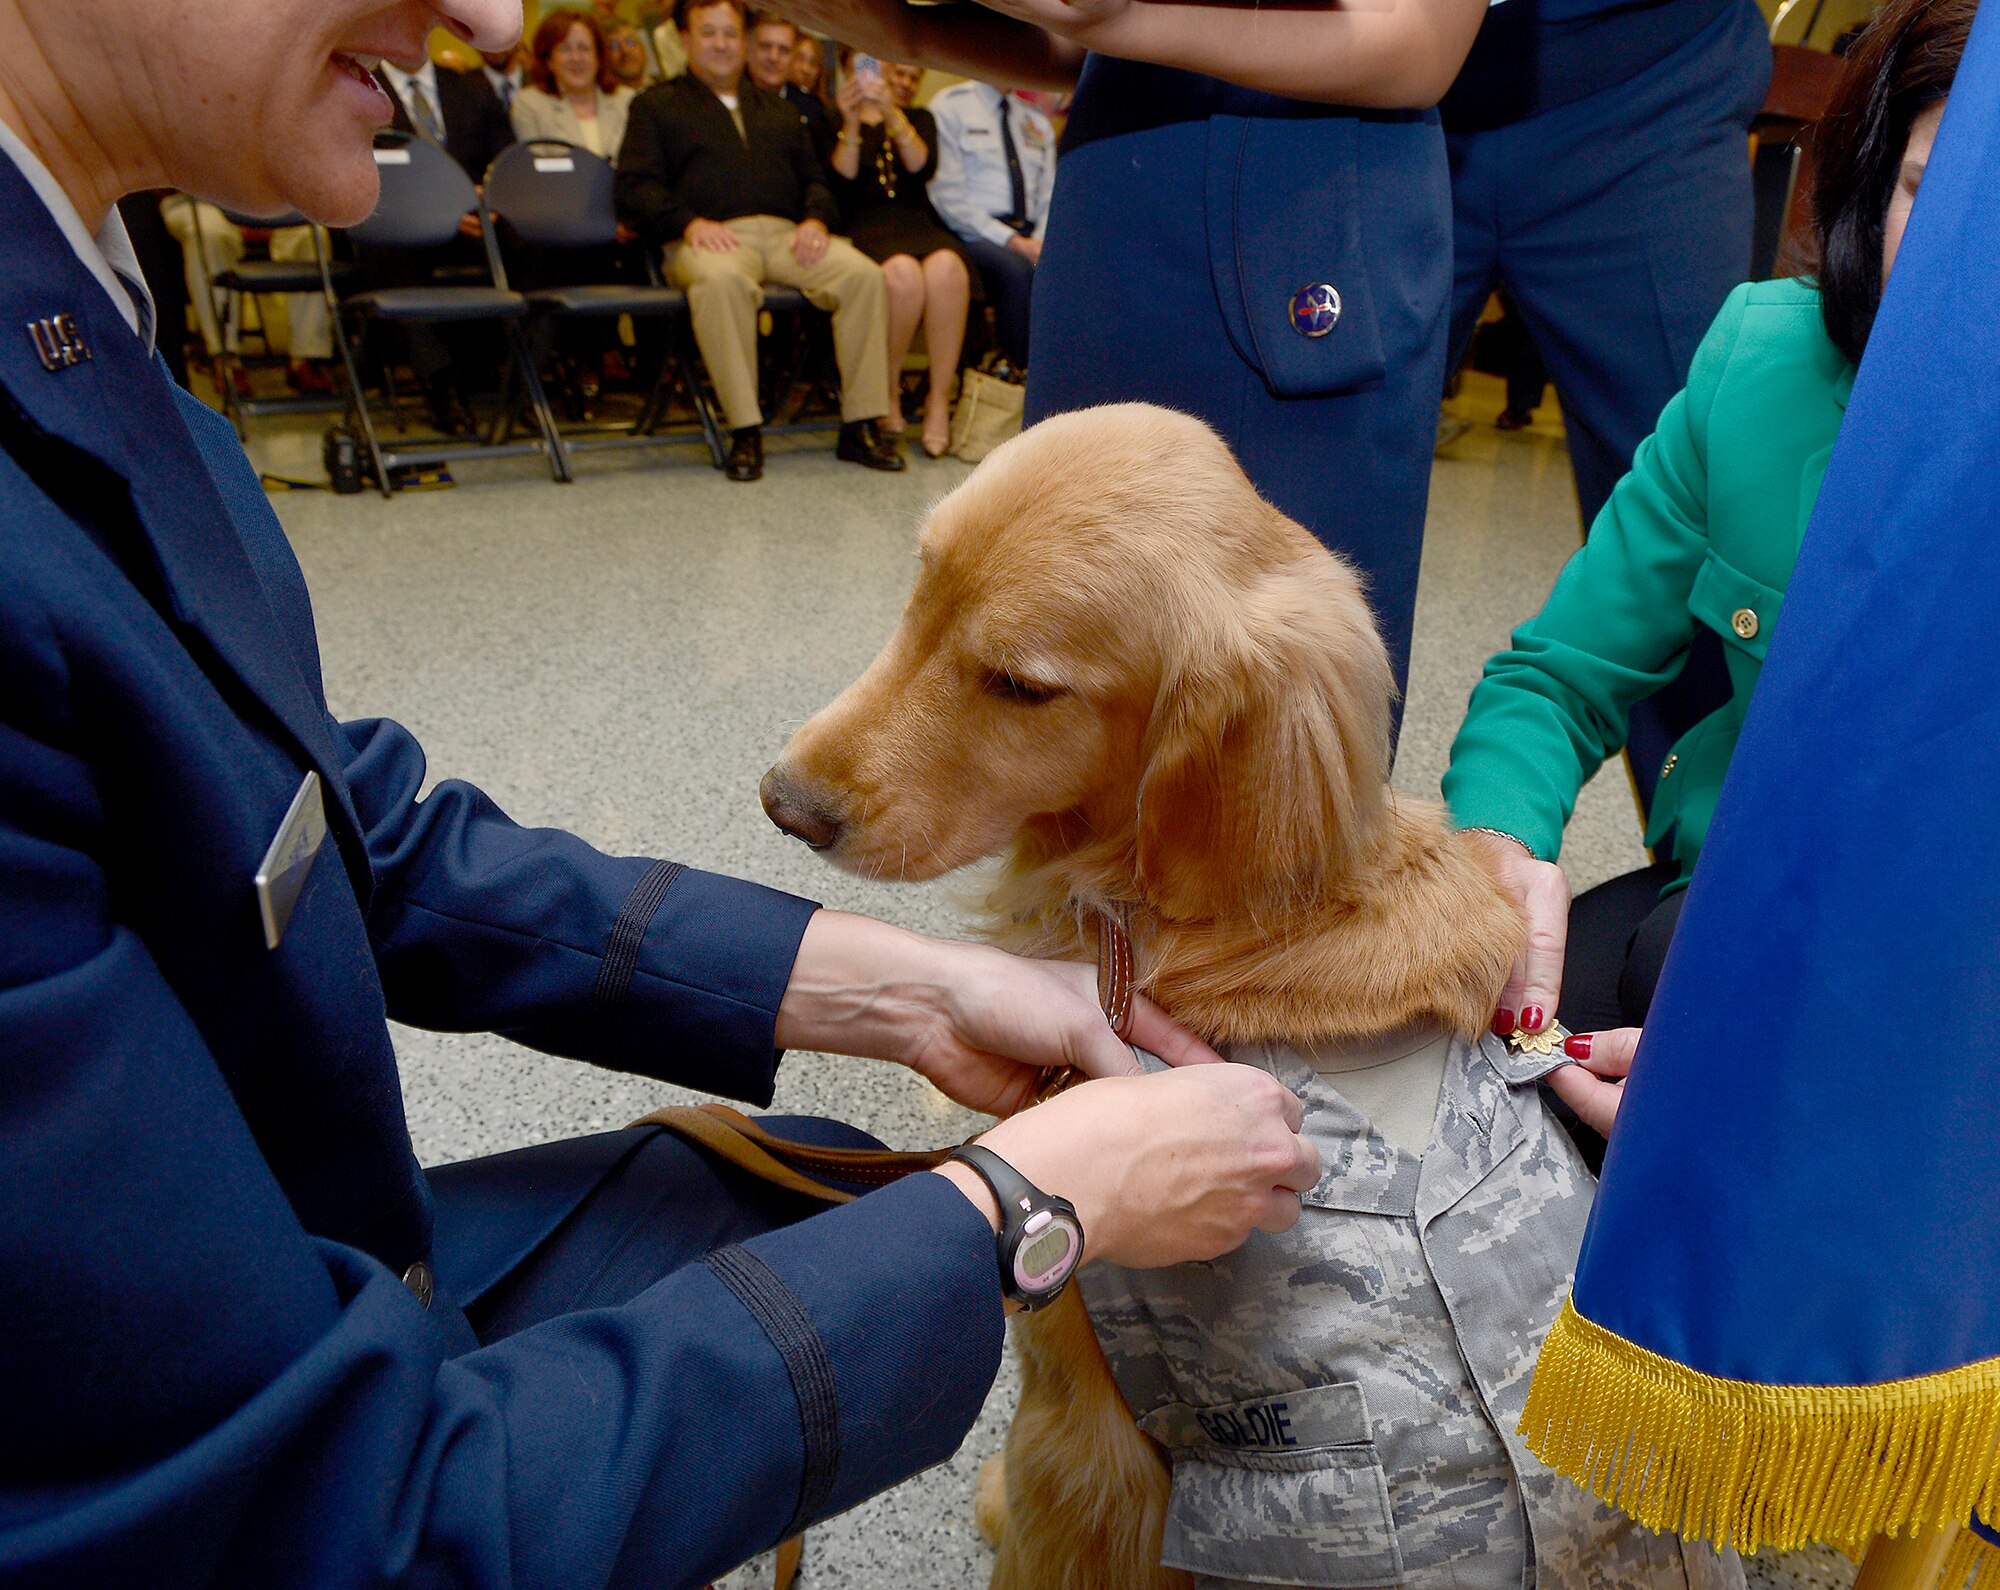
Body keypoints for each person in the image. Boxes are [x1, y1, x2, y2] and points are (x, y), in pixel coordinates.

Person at [0, 1, 1322, 1587]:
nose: (491, 16)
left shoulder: (72, 304)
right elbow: (342, 1532)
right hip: (267, 1487)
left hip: (289, 1261)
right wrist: (1023, 1211)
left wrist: (906, 988)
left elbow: (346, 835)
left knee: (810, 1181)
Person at [1441, 0, 1975, 1148]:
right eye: (1934, 195)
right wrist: (1493, 852)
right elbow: (1552, 680)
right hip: (1710, 908)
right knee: (1456, 1064)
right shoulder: (1762, 364)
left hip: (1948, 992)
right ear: (1877, 184)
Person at [777, 0, 1491, 705]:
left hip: (1304, 192)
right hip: (1115, 185)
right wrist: (908, 28)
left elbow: (1418, 43)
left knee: (1282, 725)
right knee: (1046, 678)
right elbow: (1079, 49)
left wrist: (1110, 20)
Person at [1441, 0, 1773, 814]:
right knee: (1293, 521)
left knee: (1717, 531)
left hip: (1654, 78)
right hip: (1368, 86)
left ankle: (1708, 890)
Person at [616, 0, 904, 481]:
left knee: (863, 276)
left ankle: (860, 425)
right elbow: (634, 189)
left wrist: (815, 220)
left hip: (788, 237)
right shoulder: (654, 106)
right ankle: (745, 431)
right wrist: (688, 223)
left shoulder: (780, 110)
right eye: (709, 33)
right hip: (707, 240)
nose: (722, 44)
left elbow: (816, 180)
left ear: (742, 41)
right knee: (722, 282)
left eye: (730, 33)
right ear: (685, 39)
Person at [829, 57, 972, 457]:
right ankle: (887, 392)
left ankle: (937, 400)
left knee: (948, 269)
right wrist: (853, 119)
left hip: (915, 222)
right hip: (865, 225)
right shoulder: (833, 117)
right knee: (902, 274)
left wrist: (890, 110)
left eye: (912, 76)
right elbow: (842, 178)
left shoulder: (917, 117)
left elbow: (921, 165)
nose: (902, 81)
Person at [368, 55, 518, 432]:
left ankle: (526, 376)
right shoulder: (357, 86)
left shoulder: (469, 86)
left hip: (472, 220)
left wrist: (489, 196)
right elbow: (350, 173)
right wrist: (436, 209)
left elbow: (505, 160)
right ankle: (442, 385)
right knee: (385, 245)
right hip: (393, 224)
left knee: (528, 232)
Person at [924, 75, 1053, 374]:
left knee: (1072, 269)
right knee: (1016, 271)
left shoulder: (1035, 120)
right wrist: (1013, 241)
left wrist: (1041, 240)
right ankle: (1022, 377)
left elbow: (1049, 192)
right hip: (977, 235)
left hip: (1033, 235)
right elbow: (948, 198)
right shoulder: (951, 106)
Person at [157, 195, 337, 394]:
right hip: (199, 199)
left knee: (311, 235)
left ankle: (307, 358)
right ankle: (225, 359)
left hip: (270, 200)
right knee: (209, 234)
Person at [511, 9, 637, 160]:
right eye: (565, 49)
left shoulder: (627, 100)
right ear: (549, 60)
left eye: (584, 48)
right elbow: (537, 173)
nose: (576, 58)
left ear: (598, 57)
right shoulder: (529, 105)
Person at [746, 11, 836, 167]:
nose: (774, 57)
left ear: (793, 56)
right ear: (747, 49)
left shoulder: (810, 109)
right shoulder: (728, 100)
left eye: (784, 50)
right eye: (766, 46)